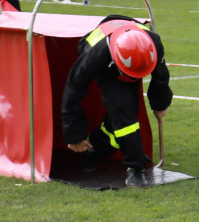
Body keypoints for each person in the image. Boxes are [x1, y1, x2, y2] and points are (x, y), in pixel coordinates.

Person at [61, 15, 173, 187]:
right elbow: (73, 91)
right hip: (107, 63)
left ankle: (95, 148)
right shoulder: (94, 55)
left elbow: (161, 77)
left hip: (128, 47)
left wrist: (160, 104)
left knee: (121, 120)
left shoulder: (154, 44)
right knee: (122, 110)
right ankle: (135, 168)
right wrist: (74, 136)